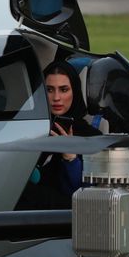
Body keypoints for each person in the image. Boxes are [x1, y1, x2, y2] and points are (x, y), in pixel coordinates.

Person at [21, 61, 100, 208]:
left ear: (74, 92)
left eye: (63, 90)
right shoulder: (31, 127)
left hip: (64, 213)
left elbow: (83, 195)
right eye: (49, 90)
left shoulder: (90, 137)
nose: (56, 98)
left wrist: (70, 158)